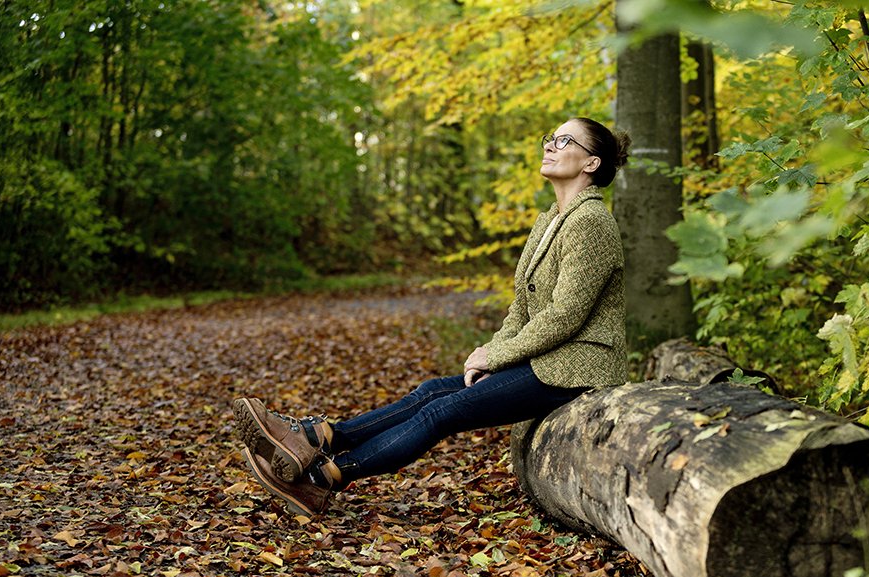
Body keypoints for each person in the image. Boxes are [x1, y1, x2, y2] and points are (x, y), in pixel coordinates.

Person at [234, 117, 632, 517]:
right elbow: (522, 308)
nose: (549, 145)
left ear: (590, 163)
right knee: (431, 392)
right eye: (551, 137)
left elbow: (566, 315)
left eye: (564, 141)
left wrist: (497, 358)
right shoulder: (551, 219)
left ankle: (324, 478)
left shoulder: (591, 221)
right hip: (550, 362)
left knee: (444, 411)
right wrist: (493, 350)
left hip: (581, 367)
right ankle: (317, 436)